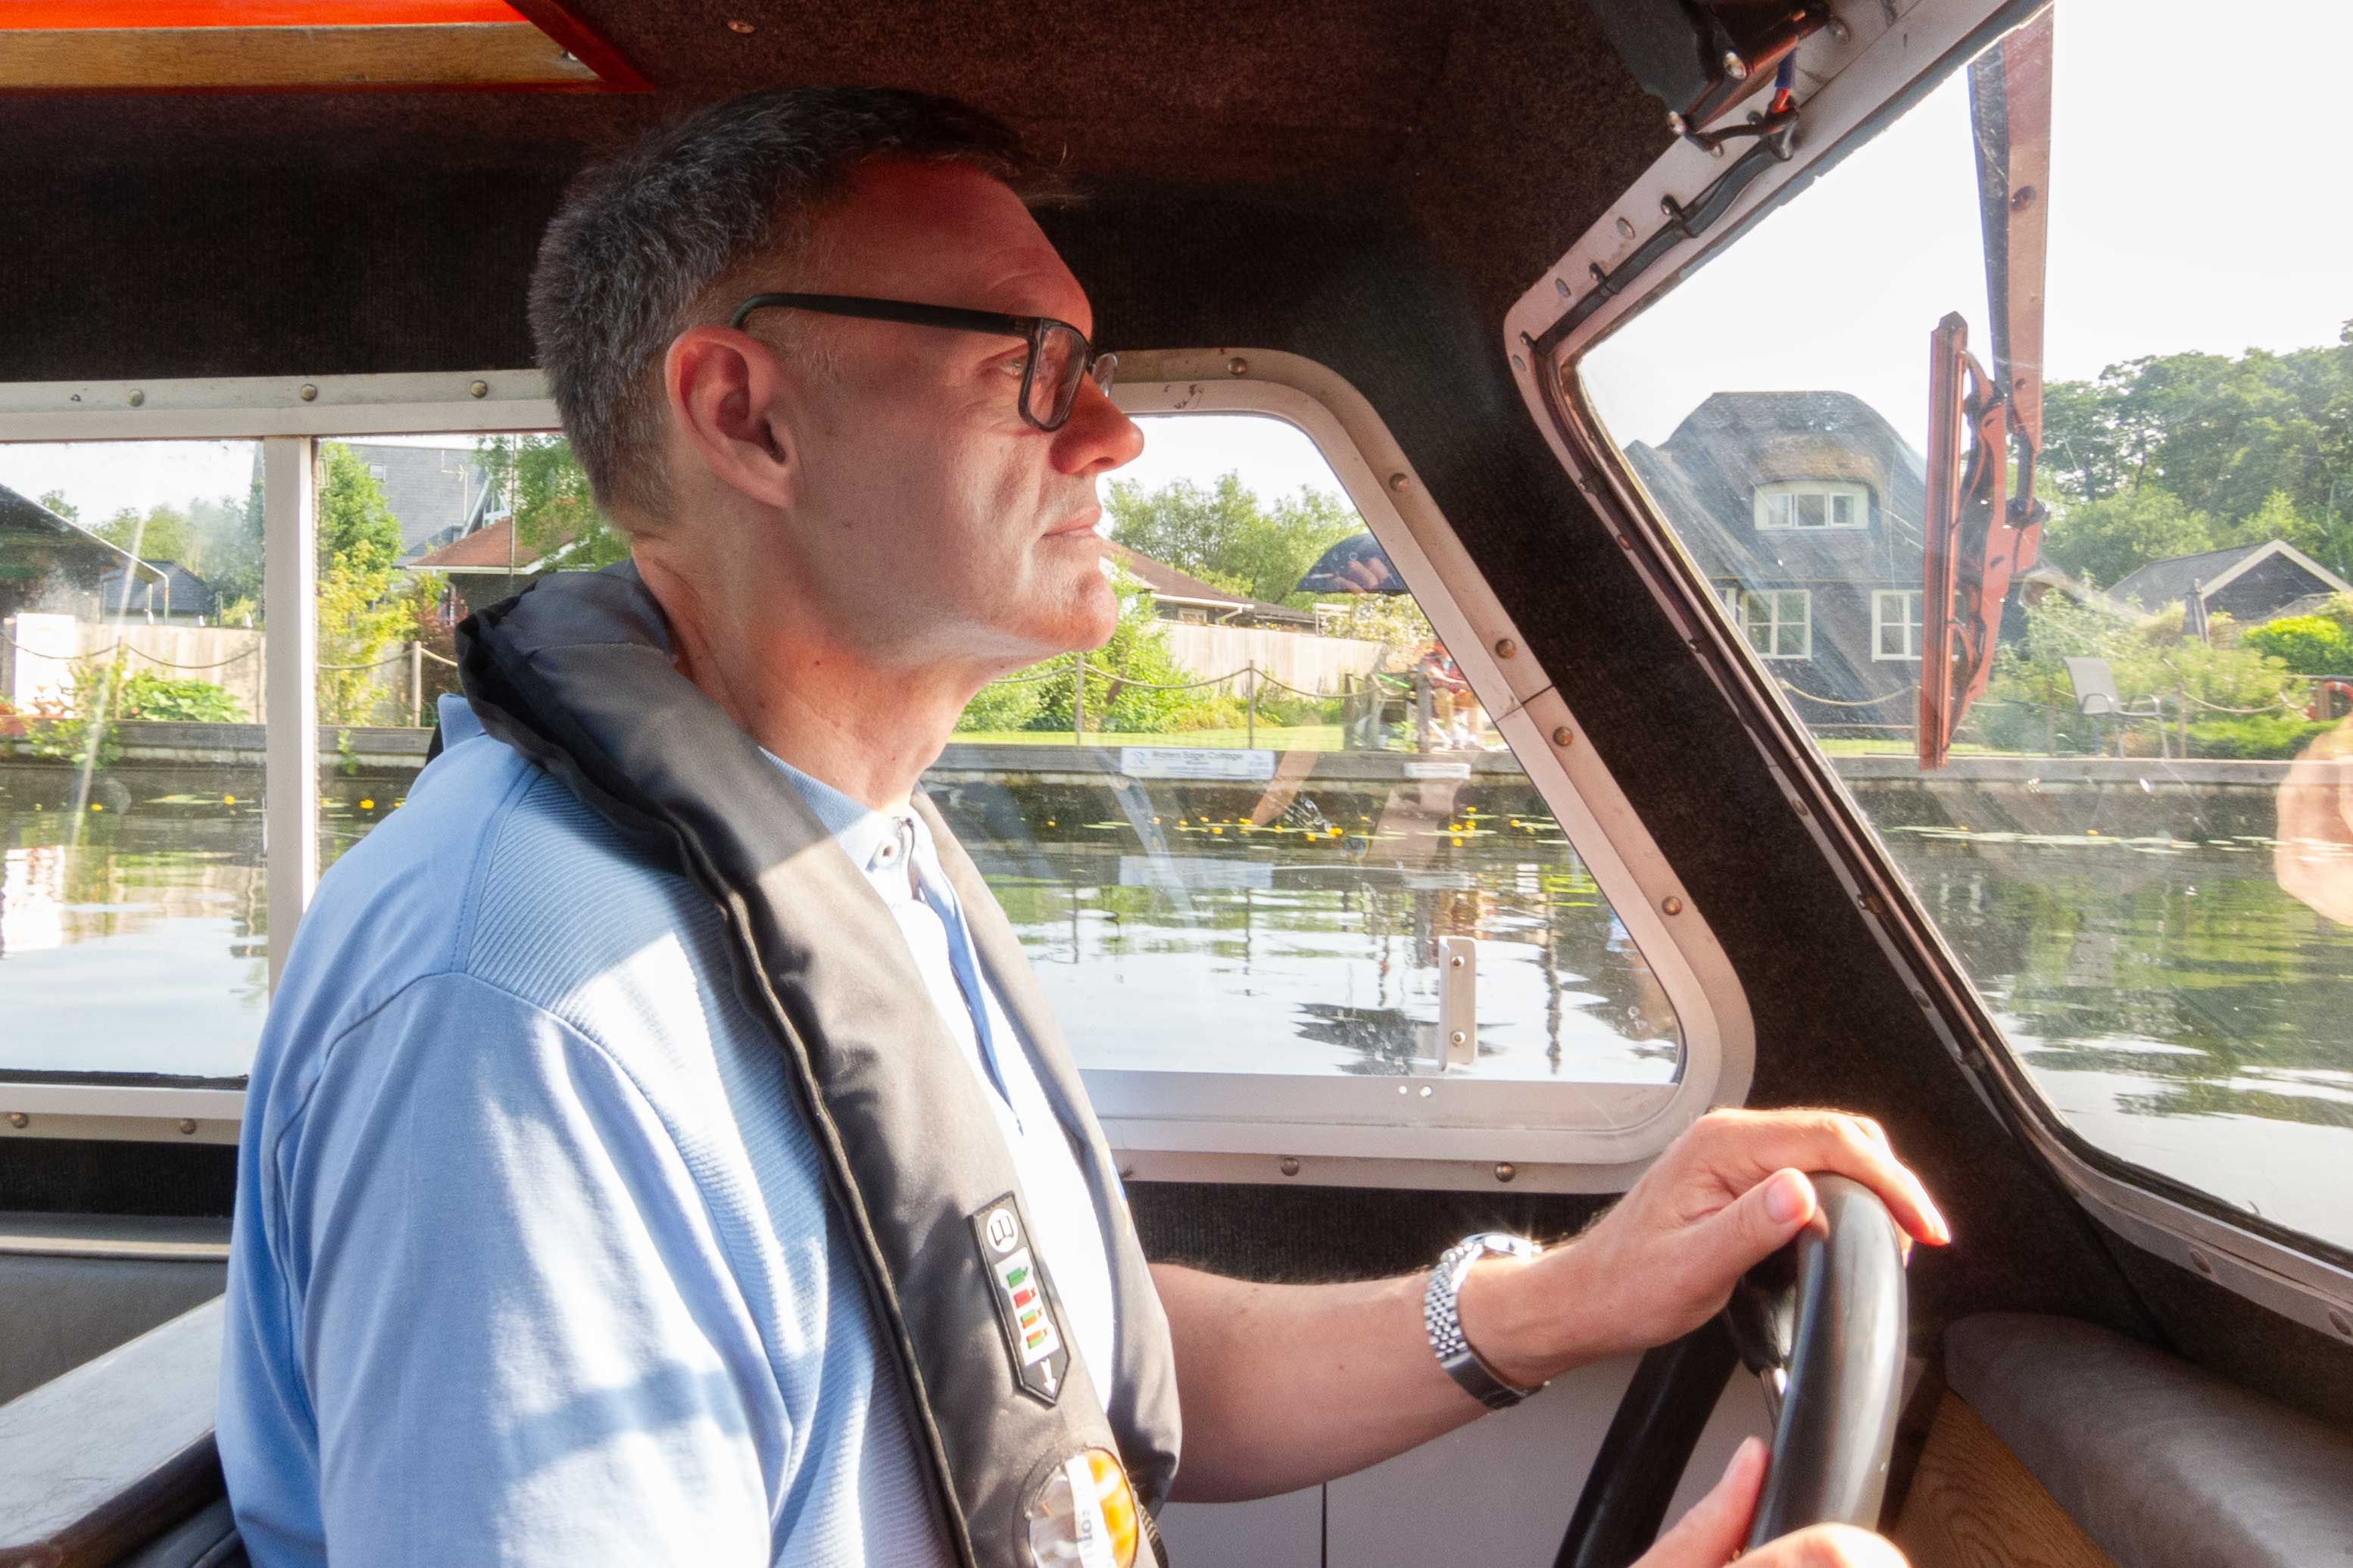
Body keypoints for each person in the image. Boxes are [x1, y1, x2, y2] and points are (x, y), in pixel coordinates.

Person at [217, 86, 1945, 1568]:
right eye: (1034, 368)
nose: (1115, 434)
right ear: (747, 414)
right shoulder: (524, 1018)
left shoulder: (848, 867)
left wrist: (1561, 1299)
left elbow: (1058, 1375)